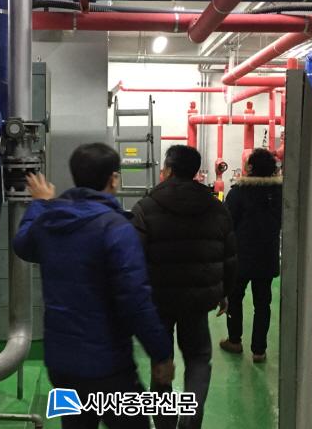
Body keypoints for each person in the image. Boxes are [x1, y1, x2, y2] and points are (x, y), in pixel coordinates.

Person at [13, 143, 174, 429]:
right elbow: (136, 300)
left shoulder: (51, 221)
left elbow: (23, 244)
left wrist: (41, 203)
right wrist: (160, 354)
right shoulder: (115, 228)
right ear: (113, 179)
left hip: (61, 364)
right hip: (108, 366)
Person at [131, 145, 235, 429]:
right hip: (197, 301)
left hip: (158, 300)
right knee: (199, 359)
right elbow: (229, 256)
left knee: (161, 360)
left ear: (168, 170)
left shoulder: (146, 207)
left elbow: (134, 258)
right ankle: (191, 422)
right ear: (195, 172)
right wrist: (224, 293)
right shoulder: (216, 207)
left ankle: (164, 424)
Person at [220, 148, 282, 363]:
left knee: (235, 299)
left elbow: (226, 223)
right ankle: (259, 350)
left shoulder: (238, 192)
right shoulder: (280, 194)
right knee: (263, 304)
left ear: (250, 167)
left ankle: (234, 341)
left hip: (241, 257)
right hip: (267, 256)